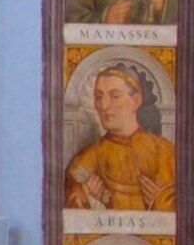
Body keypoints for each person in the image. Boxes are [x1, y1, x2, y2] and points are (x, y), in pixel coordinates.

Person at [66, 62, 174, 222]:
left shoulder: (164, 151)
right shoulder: (86, 159)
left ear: (136, 101)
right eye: (99, 96)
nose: (104, 105)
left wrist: (161, 202)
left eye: (114, 96)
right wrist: (95, 203)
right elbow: (73, 212)